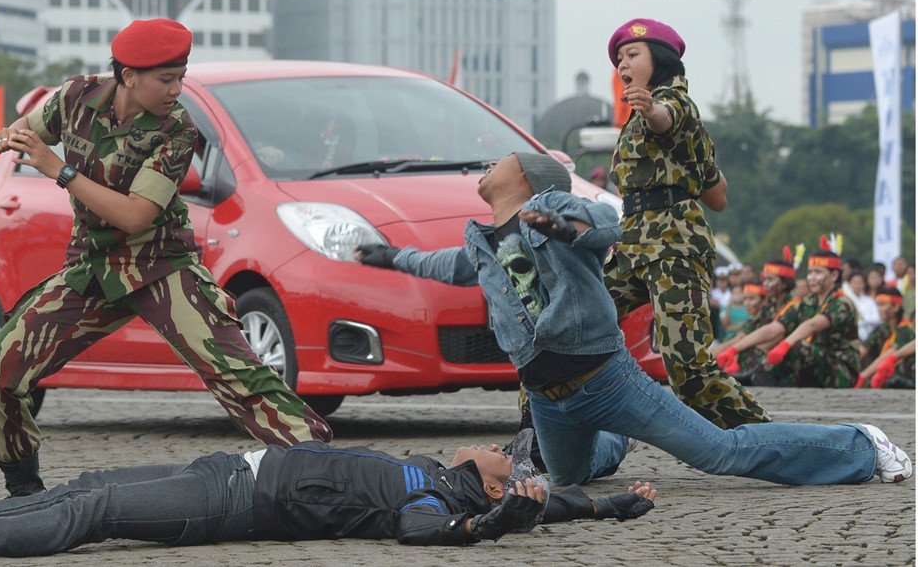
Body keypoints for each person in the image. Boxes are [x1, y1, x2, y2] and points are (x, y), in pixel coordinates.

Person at [354, 152, 911, 490]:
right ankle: (618, 443)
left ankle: (860, 446)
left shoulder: (554, 211)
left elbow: (605, 222)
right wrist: (389, 257)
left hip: (606, 380)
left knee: (720, 452)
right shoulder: (483, 240)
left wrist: (563, 225)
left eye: (497, 161)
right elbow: (444, 264)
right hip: (548, 395)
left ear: (524, 177)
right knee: (568, 478)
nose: (486, 168)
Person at [0, 18, 332, 498]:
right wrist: (10, 136)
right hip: (92, 268)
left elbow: (135, 216)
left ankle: (333, 473)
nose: (176, 89)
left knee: (239, 378)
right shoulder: (75, 97)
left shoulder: (177, 129)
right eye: (166, 79)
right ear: (127, 76)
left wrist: (57, 169)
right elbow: (25, 129)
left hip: (161, 265)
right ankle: (25, 495)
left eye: (181, 76)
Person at [0, 440, 658, 563]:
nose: (501, 447)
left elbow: (424, 531)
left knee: (97, 516)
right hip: (234, 463)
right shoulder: (437, 468)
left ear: (490, 482)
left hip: (237, 499)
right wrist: (613, 503)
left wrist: (495, 522)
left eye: (506, 458)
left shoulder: (435, 494)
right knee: (88, 486)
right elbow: (554, 502)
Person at [601, 18, 769, 428]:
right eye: (619, 58)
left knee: (687, 370)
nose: (623, 64)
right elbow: (718, 195)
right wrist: (696, 162)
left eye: (633, 55)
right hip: (633, 240)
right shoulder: (644, 118)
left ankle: (768, 437)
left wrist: (652, 109)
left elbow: (666, 117)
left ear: (659, 60)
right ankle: (542, 435)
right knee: (573, 319)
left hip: (673, 242)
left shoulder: (672, 103)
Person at [718, 249, 859, 388]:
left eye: (817, 272)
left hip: (840, 370)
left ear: (834, 276)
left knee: (794, 345)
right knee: (761, 346)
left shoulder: (842, 303)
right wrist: (734, 349)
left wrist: (784, 345)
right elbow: (774, 328)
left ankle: (766, 377)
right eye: (810, 272)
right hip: (817, 363)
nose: (811, 277)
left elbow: (812, 325)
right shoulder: (809, 301)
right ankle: (758, 377)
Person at [715, 258, 800, 386]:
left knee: (749, 353)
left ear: (784, 283)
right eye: (764, 279)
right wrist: (707, 357)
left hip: (793, 361)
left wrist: (734, 350)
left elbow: (775, 332)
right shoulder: (770, 307)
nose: (765, 284)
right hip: (774, 356)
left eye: (770, 280)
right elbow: (743, 335)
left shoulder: (794, 306)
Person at [855, 287, 915, 389]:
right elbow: (863, 349)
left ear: (895, 307)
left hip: (904, 380)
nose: (878, 309)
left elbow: (889, 355)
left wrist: (863, 375)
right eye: (877, 305)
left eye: (882, 305)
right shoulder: (881, 328)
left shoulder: (906, 329)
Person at [844, 271, 880, 341]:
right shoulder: (846, 300)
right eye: (855, 282)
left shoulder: (869, 301)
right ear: (849, 284)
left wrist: (863, 319)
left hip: (868, 337)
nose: (857, 285)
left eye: (860, 282)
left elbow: (877, 318)